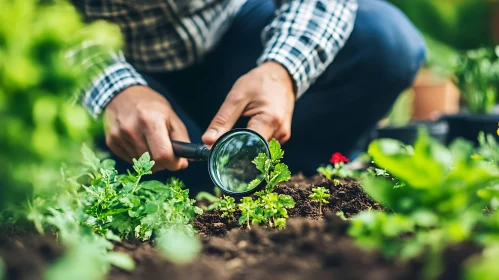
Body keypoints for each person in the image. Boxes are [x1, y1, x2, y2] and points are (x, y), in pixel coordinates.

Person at [72, 0, 426, 193]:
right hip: (114, 62)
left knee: (386, 42)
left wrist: (282, 68)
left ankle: (295, 177)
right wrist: (112, 88)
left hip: (232, 31)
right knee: (165, 178)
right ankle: (215, 182)